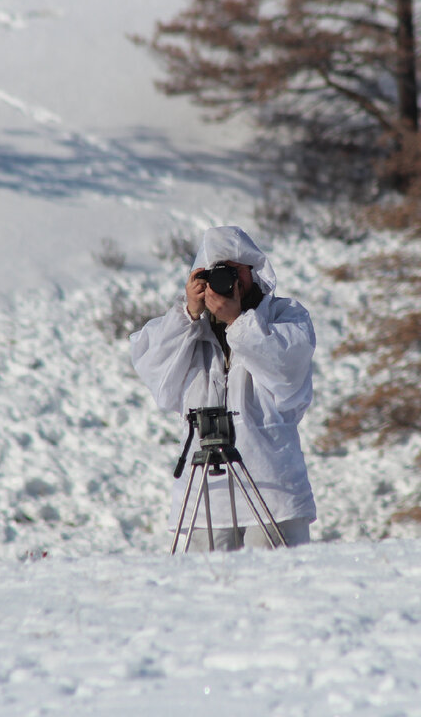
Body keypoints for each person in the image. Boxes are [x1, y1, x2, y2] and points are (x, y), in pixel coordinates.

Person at [130, 225, 317, 551]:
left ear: (252, 270)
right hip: (205, 495)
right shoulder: (187, 329)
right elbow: (153, 369)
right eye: (218, 272)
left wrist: (237, 321)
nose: (228, 281)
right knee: (205, 590)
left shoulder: (284, 317)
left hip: (272, 486)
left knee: (275, 589)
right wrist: (188, 313)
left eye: (235, 271)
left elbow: (287, 370)